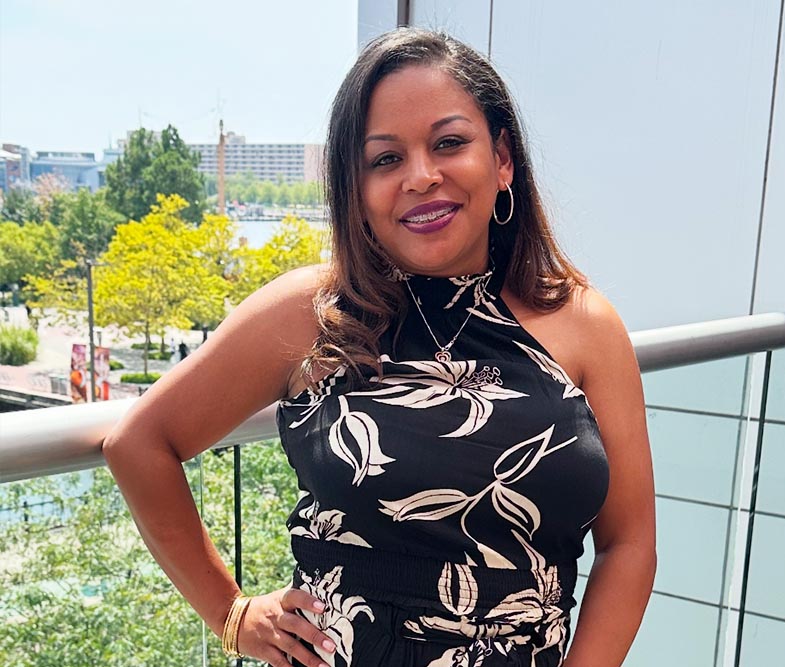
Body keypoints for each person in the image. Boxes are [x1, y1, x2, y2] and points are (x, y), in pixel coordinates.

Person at [103, 28, 655, 667]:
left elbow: (630, 540)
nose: (422, 177)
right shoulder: (312, 312)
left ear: (502, 159)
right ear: (355, 189)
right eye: (385, 159)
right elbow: (139, 443)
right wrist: (231, 615)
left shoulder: (583, 322)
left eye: (449, 143)